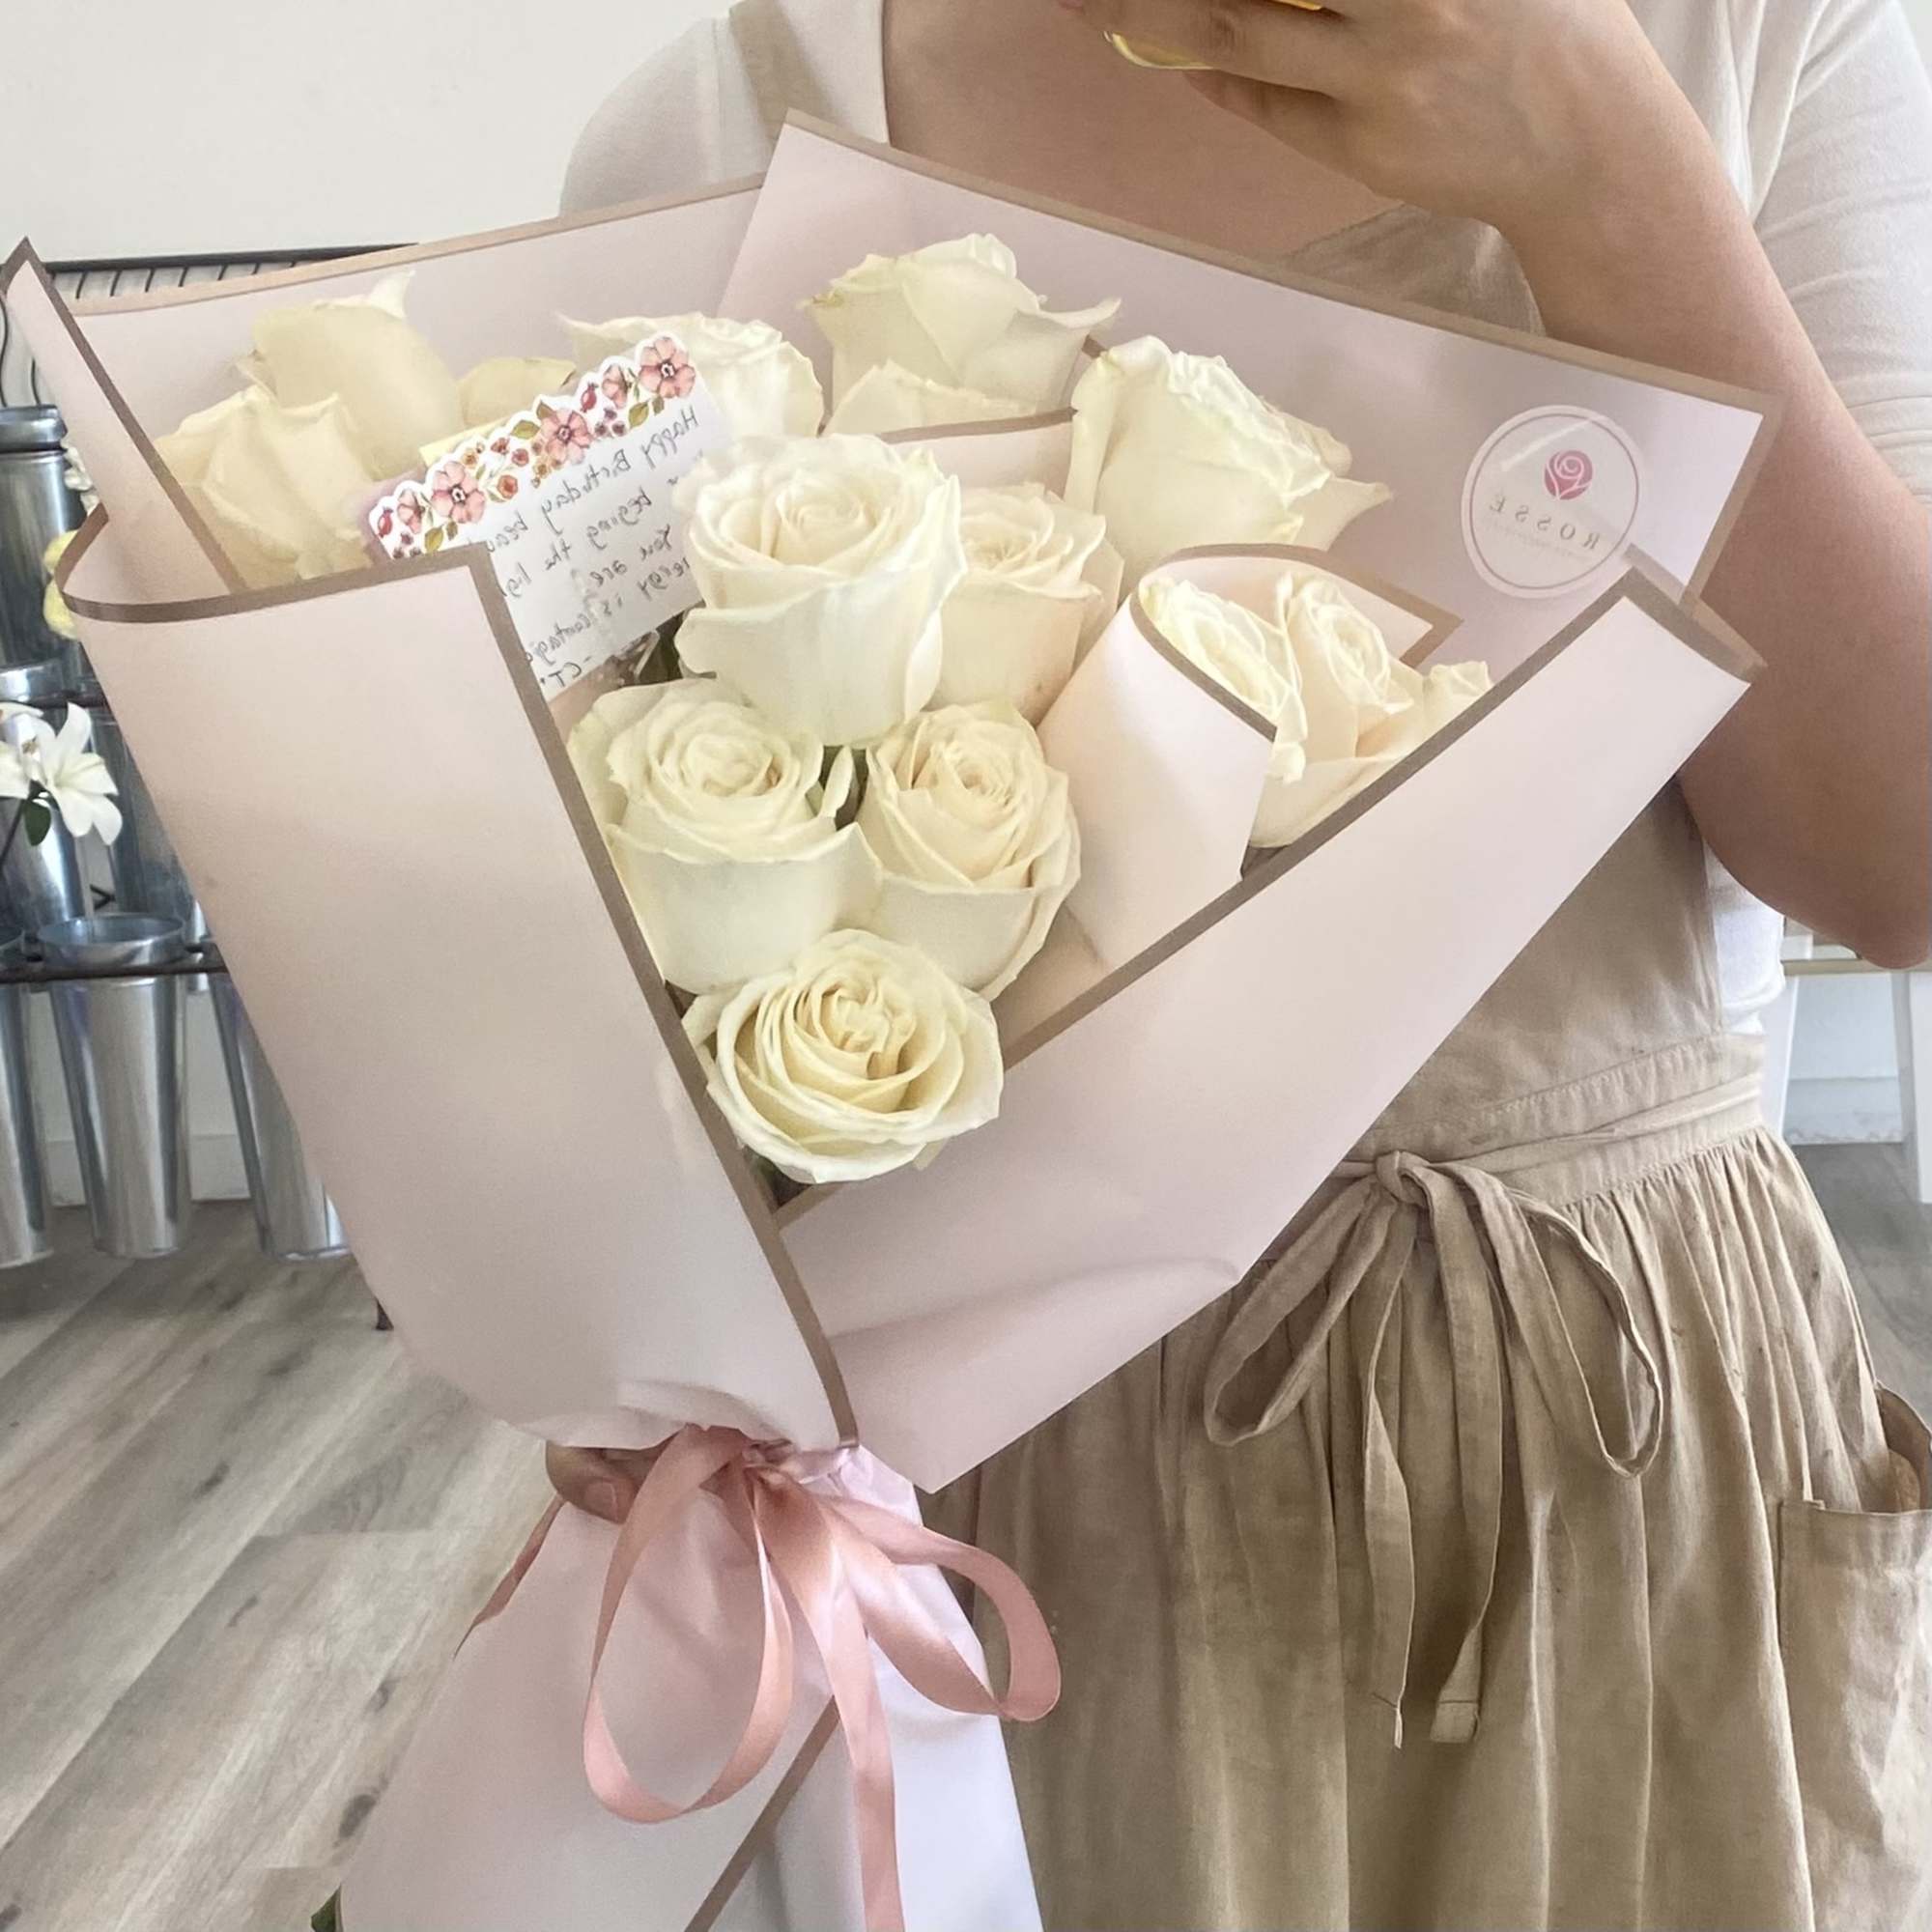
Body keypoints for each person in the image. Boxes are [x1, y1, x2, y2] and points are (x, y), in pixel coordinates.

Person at [549, 1, 1932, 1925]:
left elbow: (1898, 856)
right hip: (998, 1520)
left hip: (1611, 1459)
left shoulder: (1755, 36)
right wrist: (637, 1320)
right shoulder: (718, 122)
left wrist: (1611, 181)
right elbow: (625, 895)